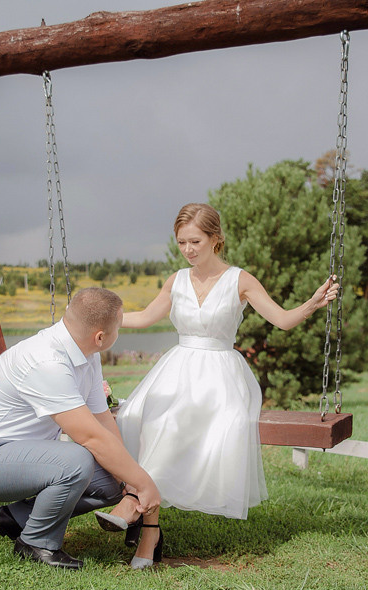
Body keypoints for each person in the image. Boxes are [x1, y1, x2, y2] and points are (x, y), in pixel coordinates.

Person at [94, 203, 338, 569]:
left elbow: (282, 320)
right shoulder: (176, 280)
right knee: (147, 419)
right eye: (181, 243)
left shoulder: (240, 280)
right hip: (178, 368)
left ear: (215, 239)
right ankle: (148, 527)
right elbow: (145, 317)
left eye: (195, 241)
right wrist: (94, 317)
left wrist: (312, 305)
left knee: (179, 423)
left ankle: (134, 505)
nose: (188, 250)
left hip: (221, 375)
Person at [0, 287, 161, 570]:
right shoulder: (47, 361)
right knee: (78, 460)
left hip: (25, 456)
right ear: (101, 336)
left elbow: (102, 420)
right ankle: (36, 542)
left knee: (112, 481)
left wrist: (129, 480)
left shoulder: (88, 354)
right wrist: (145, 483)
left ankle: (16, 517)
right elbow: (89, 437)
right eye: (118, 329)